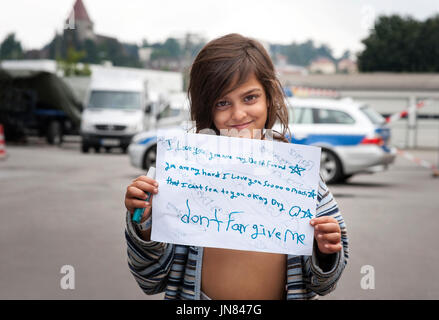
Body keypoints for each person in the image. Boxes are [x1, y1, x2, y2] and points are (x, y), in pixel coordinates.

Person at [124, 33, 348, 300]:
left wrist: (324, 251)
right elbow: (150, 279)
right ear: (205, 108)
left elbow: (324, 284)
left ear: (269, 97)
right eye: (222, 102)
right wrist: (145, 224)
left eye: (250, 98)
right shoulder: (181, 176)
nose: (239, 114)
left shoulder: (301, 178)